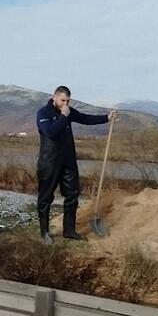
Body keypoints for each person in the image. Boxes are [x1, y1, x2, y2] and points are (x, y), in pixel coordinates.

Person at [36, 86, 118, 242]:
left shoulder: (68, 111)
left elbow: (85, 119)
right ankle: (45, 232)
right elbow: (50, 132)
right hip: (49, 161)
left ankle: (69, 230)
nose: (65, 104)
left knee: (72, 195)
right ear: (54, 97)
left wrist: (107, 118)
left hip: (68, 160)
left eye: (68, 101)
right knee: (45, 197)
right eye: (63, 100)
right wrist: (63, 116)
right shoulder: (43, 113)